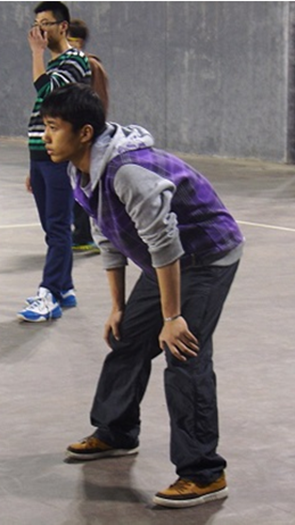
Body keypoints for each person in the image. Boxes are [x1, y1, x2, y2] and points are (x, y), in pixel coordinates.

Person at [40, 83, 244, 508]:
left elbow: (165, 243)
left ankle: (204, 472)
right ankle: (116, 432)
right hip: (166, 260)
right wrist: (118, 307)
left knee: (184, 354)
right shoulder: (81, 169)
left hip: (206, 254)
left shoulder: (127, 172)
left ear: (84, 133)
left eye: (54, 127)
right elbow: (108, 235)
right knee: (129, 337)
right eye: (46, 126)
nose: (46, 136)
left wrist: (172, 318)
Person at [18, 1, 91, 323]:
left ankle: (48, 294)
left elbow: (46, 91)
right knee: (52, 228)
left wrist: (36, 53)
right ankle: (65, 286)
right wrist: (32, 166)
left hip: (59, 158)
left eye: (46, 24)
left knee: (59, 226)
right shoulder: (55, 63)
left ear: (63, 27)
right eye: (37, 24)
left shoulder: (75, 61)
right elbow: (42, 117)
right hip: (40, 156)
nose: (40, 30)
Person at [67, 19, 109, 256]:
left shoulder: (90, 66)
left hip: (85, 137)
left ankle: (84, 235)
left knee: (83, 186)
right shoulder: (66, 65)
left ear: (79, 41)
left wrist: (92, 133)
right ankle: (78, 233)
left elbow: (98, 101)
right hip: (71, 136)